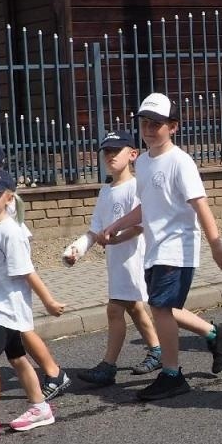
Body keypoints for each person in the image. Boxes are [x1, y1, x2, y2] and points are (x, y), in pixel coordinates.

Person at [93, 93, 222, 401]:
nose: (148, 129)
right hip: (154, 248)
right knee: (163, 307)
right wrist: (117, 225)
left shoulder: (180, 162)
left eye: (156, 124)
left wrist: (216, 245)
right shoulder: (144, 162)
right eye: (145, 123)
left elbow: (200, 205)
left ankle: (172, 374)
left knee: (159, 307)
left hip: (178, 247)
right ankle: (215, 335)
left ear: (173, 127)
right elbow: (146, 206)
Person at [0, 168, 67, 432]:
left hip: (8, 309)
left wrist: (48, 301)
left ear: (9, 198)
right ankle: (40, 407)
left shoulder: (11, 233)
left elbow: (27, 272)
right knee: (17, 358)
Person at [64, 130, 162, 383]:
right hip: (116, 262)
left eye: (116, 151)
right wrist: (78, 249)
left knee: (115, 309)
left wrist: (116, 239)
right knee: (135, 307)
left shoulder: (135, 187)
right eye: (106, 152)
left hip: (133, 260)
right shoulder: (105, 191)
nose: (110, 156)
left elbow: (139, 225)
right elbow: (95, 230)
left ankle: (108, 367)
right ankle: (157, 350)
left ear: (132, 154)